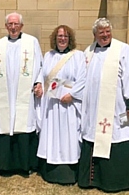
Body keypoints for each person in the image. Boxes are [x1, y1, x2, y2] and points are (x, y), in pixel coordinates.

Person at [78, 18, 129, 192]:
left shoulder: (123, 50)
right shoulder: (89, 51)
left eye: (107, 31)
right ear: (94, 35)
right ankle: (93, 180)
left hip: (117, 106)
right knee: (94, 137)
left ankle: (118, 181)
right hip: (93, 109)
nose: (105, 35)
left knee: (117, 135)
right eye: (101, 32)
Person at [0, 12, 43, 177]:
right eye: (10, 24)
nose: (13, 27)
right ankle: (4, 166)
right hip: (5, 94)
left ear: (21, 26)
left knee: (23, 127)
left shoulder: (31, 42)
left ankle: (24, 165)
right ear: (6, 26)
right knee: (4, 129)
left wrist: (38, 82)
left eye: (16, 24)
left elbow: (40, 65)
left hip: (24, 95)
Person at [36, 25, 86, 185]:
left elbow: (83, 78)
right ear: (54, 38)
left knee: (67, 135)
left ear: (70, 39)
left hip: (68, 104)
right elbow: (42, 74)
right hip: (51, 104)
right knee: (52, 134)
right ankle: (50, 171)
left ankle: (68, 172)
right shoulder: (48, 55)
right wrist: (38, 85)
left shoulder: (78, 56)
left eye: (65, 36)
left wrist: (72, 95)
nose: (62, 39)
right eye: (59, 36)